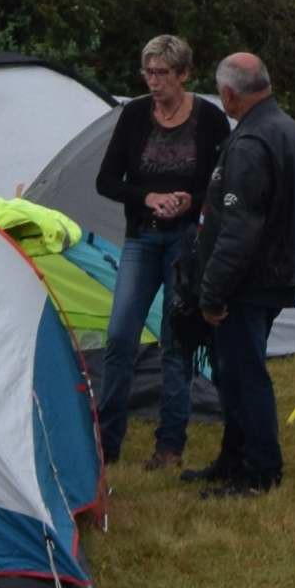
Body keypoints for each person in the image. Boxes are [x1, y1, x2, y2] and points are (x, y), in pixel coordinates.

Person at [184, 50, 295, 498]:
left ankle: (259, 471)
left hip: (249, 279)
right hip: (278, 270)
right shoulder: (293, 130)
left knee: (245, 373)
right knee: (233, 369)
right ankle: (233, 457)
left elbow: (238, 229)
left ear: (229, 94)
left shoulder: (249, 143)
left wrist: (212, 292)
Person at [88, 35, 224, 472]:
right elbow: (106, 181)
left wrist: (191, 200)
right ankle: (107, 441)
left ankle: (170, 445)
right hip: (142, 236)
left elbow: (223, 185)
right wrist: (147, 198)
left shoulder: (209, 120)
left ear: (184, 74)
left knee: (176, 341)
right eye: (147, 73)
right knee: (120, 335)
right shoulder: (133, 116)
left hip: (185, 242)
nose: (153, 82)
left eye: (162, 73)